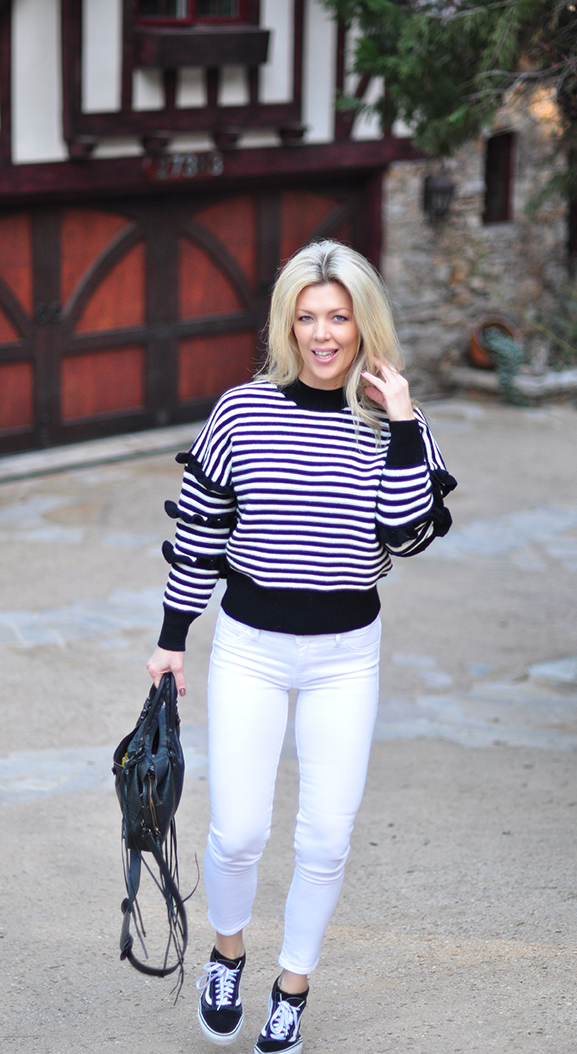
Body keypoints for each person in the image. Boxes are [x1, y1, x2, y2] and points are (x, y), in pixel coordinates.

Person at [146, 240, 456, 1054]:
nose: (324, 334)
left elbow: (406, 532)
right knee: (239, 830)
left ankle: (293, 984)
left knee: (324, 835)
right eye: (308, 317)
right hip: (249, 645)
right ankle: (227, 953)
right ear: (288, 323)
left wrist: (398, 423)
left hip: (346, 655)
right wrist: (172, 640)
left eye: (339, 318)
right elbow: (200, 537)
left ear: (364, 326)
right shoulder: (241, 410)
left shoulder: (397, 421)